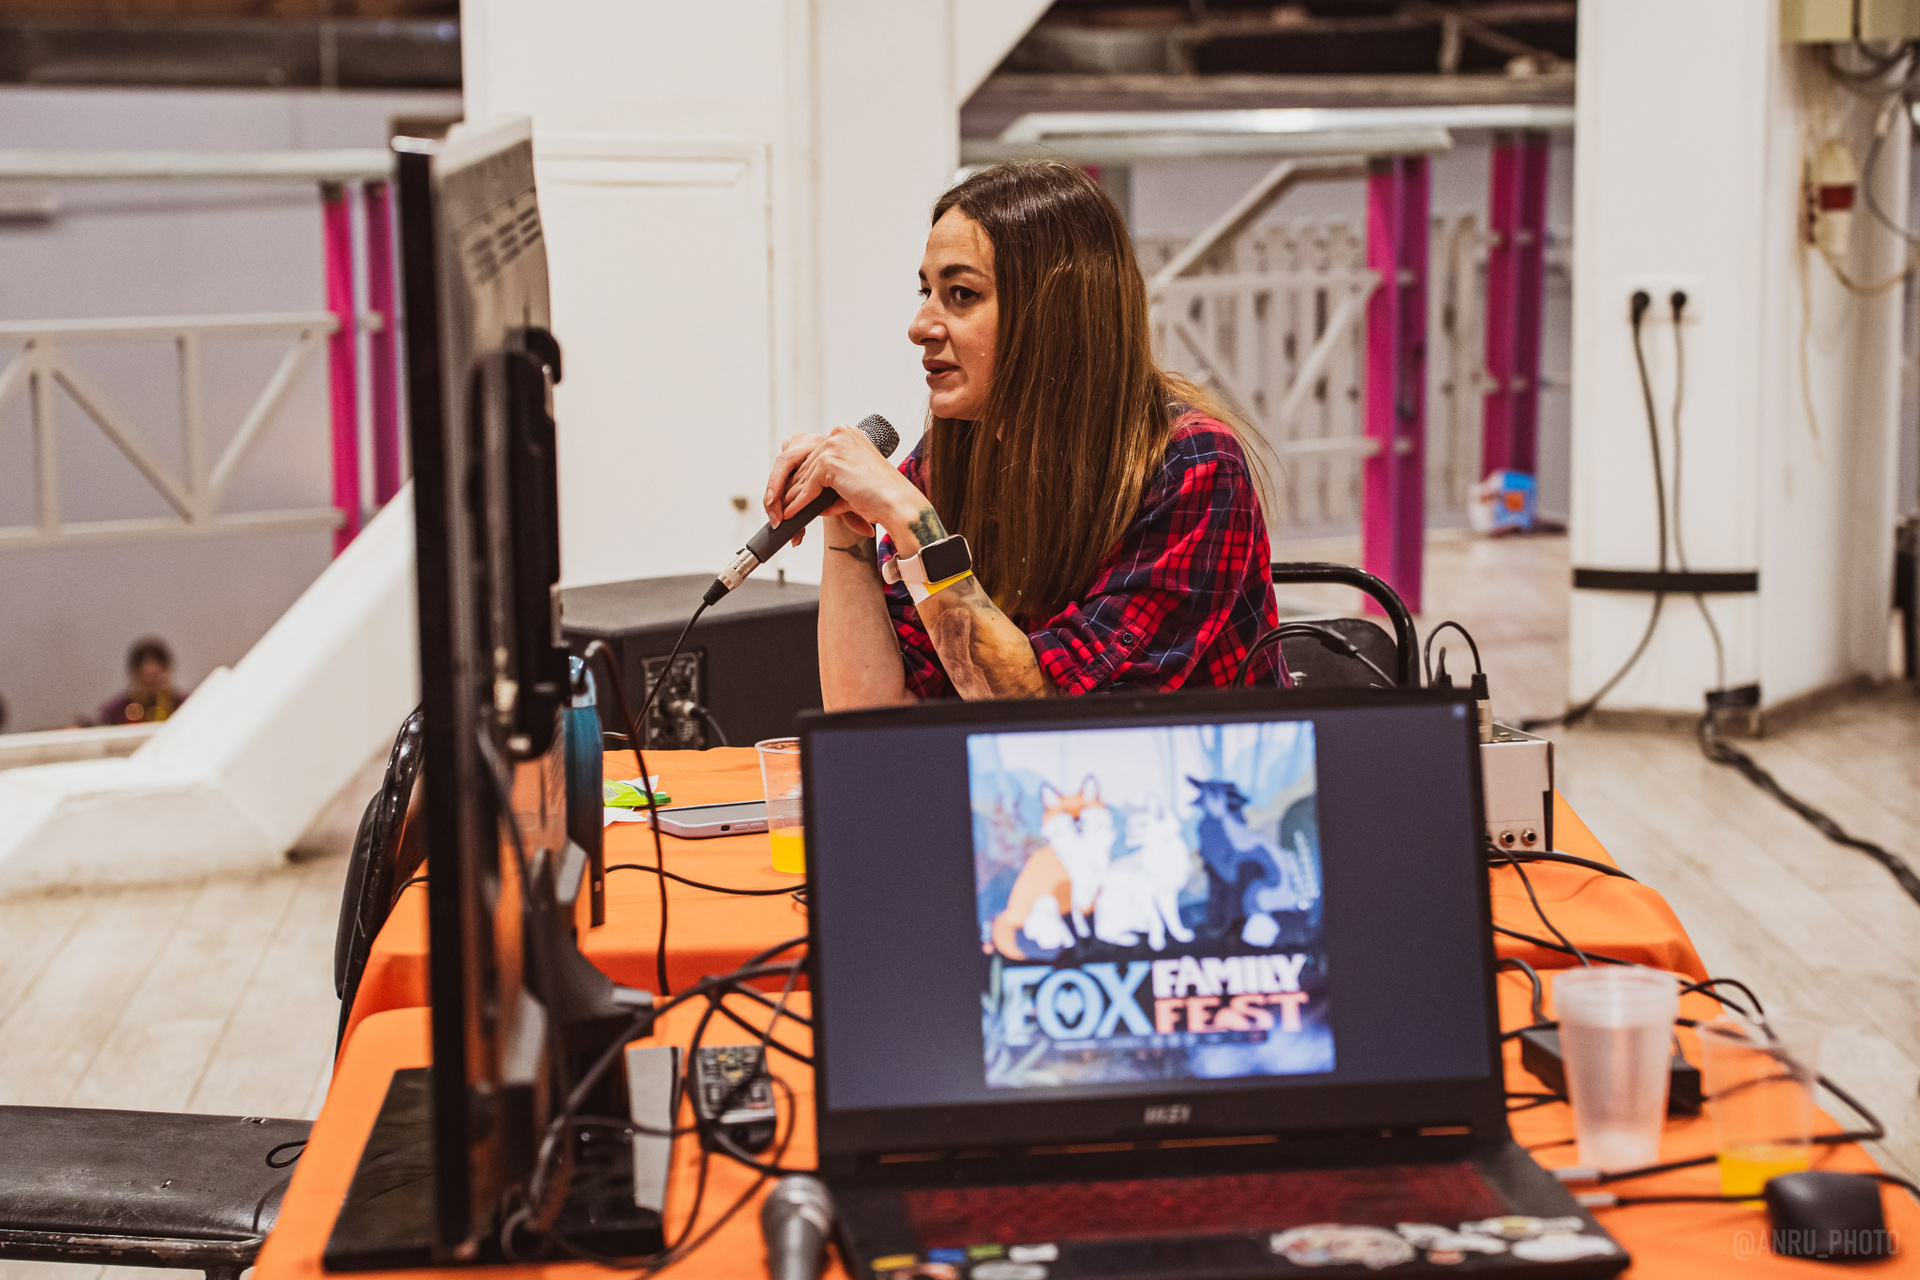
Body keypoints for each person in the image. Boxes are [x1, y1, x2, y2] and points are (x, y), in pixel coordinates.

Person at [762, 160, 1283, 707]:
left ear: (1056, 313)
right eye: (926, 293)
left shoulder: (1193, 466)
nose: (920, 327)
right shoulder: (955, 453)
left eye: (962, 294)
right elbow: (867, 718)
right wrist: (847, 526)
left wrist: (912, 520)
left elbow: (1052, 722)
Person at [96, 636, 188, 726]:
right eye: (146, 677)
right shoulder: (116, 712)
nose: (151, 682)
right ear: (135, 675)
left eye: (156, 676)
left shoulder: (185, 706)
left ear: (167, 671)